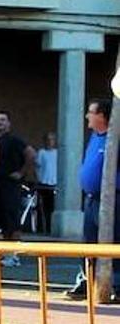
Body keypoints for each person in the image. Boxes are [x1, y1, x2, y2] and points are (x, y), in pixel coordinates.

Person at [65, 99, 120, 301]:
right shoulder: (95, 137)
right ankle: (87, 281)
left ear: (102, 116)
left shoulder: (115, 139)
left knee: (113, 242)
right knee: (89, 243)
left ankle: (115, 284)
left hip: (112, 201)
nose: (87, 116)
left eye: (91, 112)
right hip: (91, 200)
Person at [0, 109, 31, 265]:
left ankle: (14, 255)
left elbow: (30, 154)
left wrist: (21, 173)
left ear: (9, 123)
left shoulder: (15, 141)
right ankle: (4, 253)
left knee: (12, 221)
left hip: (11, 186)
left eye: (3, 120)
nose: (0, 122)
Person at [34, 131, 58, 235]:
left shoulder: (57, 153)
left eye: (52, 139)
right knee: (43, 209)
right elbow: (37, 167)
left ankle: (51, 229)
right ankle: (42, 229)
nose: (50, 142)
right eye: (48, 139)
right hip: (44, 183)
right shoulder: (41, 152)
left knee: (53, 208)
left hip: (55, 184)